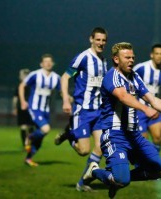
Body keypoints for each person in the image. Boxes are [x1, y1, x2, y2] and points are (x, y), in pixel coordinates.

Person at [82, 42, 161, 198]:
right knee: (122, 179)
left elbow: (153, 99)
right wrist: (145, 109)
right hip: (115, 136)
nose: (131, 60)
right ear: (116, 59)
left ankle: (115, 180)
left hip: (134, 136)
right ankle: (94, 171)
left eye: (133, 57)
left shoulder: (135, 77)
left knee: (157, 170)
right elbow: (123, 97)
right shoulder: (112, 76)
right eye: (127, 57)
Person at [54, 27, 108, 191]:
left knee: (101, 146)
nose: (101, 43)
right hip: (82, 111)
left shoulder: (104, 61)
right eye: (98, 39)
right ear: (91, 39)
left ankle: (82, 184)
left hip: (98, 112)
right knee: (83, 151)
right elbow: (65, 77)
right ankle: (69, 134)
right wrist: (65, 99)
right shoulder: (83, 58)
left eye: (103, 40)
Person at [19, 54, 61, 167]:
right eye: (45, 61)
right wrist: (23, 101)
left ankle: (28, 159)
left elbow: (62, 91)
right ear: (41, 64)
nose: (48, 63)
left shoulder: (56, 77)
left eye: (50, 61)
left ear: (52, 63)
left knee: (40, 138)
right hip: (35, 108)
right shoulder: (35, 74)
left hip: (46, 110)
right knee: (46, 129)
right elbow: (22, 86)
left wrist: (68, 99)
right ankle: (30, 136)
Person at [133, 44, 161, 152]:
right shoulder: (141, 68)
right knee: (143, 142)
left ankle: (153, 162)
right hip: (140, 110)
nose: (159, 56)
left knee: (158, 137)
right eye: (156, 53)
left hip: (155, 109)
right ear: (151, 55)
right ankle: (145, 165)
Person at [12, 69, 34, 147]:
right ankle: (30, 143)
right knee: (31, 126)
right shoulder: (32, 86)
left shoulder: (19, 85)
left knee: (23, 126)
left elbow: (15, 98)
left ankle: (25, 144)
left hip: (21, 107)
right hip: (31, 107)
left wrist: (14, 108)